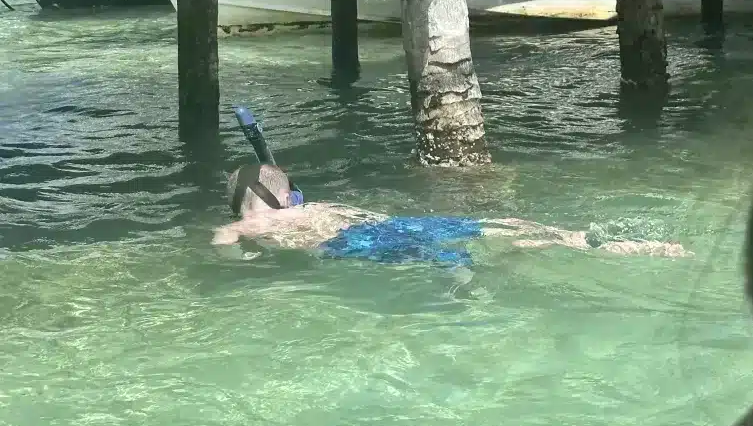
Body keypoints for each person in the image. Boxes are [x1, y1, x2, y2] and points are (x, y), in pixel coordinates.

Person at [213, 162, 691, 264]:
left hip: (358, 243)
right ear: (288, 196)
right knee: (509, 229)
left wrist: (244, 258)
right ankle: (626, 244)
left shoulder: (249, 223)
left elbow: (225, 247)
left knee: (460, 255)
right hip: (384, 224)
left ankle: (469, 274)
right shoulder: (308, 207)